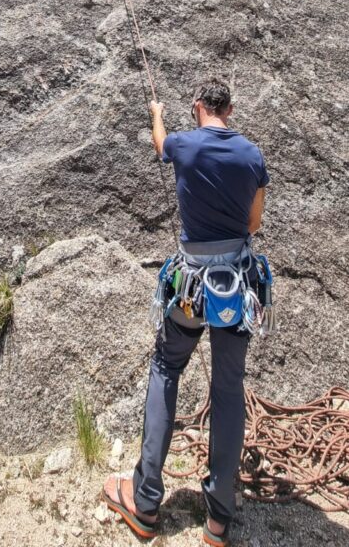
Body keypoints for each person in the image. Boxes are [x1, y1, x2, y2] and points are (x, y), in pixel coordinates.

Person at [103, 79, 269, 544]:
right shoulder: (252, 156)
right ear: (230, 110)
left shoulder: (183, 145)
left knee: (166, 367)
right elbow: (254, 222)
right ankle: (218, 518)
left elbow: (160, 144)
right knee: (229, 389)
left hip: (191, 288)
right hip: (235, 286)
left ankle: (145, 501)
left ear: (197, 107)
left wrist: (156, 113)